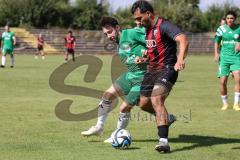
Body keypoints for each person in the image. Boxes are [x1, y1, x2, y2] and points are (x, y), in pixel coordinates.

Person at [81, 16, 176, 142]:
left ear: (117, 28)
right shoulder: (119, 41)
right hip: (130, 74)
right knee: (107, 95)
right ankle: (99, 127)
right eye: (106, 34)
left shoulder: (131, 33)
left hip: (142, 77)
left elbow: (154, 40)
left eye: (110, 32)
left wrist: (147, 54)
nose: (109, 35)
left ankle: (117, 134)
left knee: (124, 108)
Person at [131, 0, 189, 153]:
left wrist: (181, 58)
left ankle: (163, 141)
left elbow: (182, 39)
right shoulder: (147, 29)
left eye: (139, 18)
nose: (137, 22)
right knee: (143, 104)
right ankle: (167, 118)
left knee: (156, 99)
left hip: (168, 68)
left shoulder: (164, 25)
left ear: (148, 14)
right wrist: (144, 59)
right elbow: (154, 49)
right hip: (151, 70)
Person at [214, 11, 240, 111]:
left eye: (232, 18)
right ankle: (225, 103)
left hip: (236, 58)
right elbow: (216, 41)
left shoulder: (239, 28)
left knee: (238, 78)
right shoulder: (221, 29)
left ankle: (236, 104)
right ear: (226, 19)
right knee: (223, 81)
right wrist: (216, 53)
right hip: (224, 58)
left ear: (235, 19)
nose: (230, 20)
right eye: (228, 18)